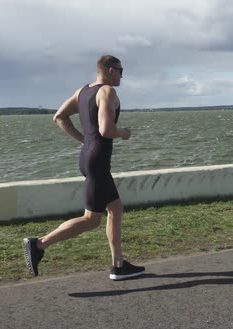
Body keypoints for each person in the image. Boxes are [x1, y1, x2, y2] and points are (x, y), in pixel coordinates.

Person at [23, 55, 145, 281]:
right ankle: (39, 244)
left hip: (88, 157)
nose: (122, 75)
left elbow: (59, 117)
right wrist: (123, 133)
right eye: (120, 70)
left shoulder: (82, 91)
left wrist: (84, 140)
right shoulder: (107, 92)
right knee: (91, 219)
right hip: (97, 161)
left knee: (115, 209)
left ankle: (119, 265)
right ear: (110, 70)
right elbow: (106, 130)